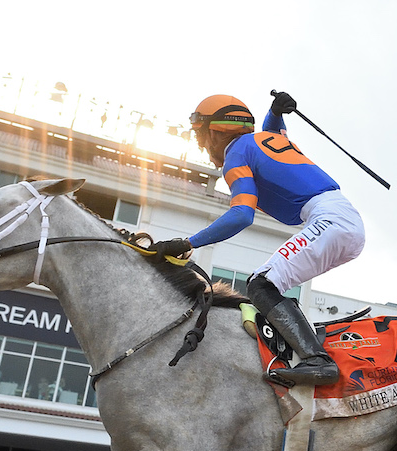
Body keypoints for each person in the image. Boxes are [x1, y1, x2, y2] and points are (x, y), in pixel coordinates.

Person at [150, 91, 365, 386]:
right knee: (269, 283)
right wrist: (275, 112)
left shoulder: (235, 155)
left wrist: (189, 243)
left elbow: (242, 214)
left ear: (217, 130)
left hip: (330, 220)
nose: (200, 144)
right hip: (341, 220)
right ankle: (298, 350)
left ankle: (317, 360)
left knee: (261, 283)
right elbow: (274, 132)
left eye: (201, 134)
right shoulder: (263, 140)